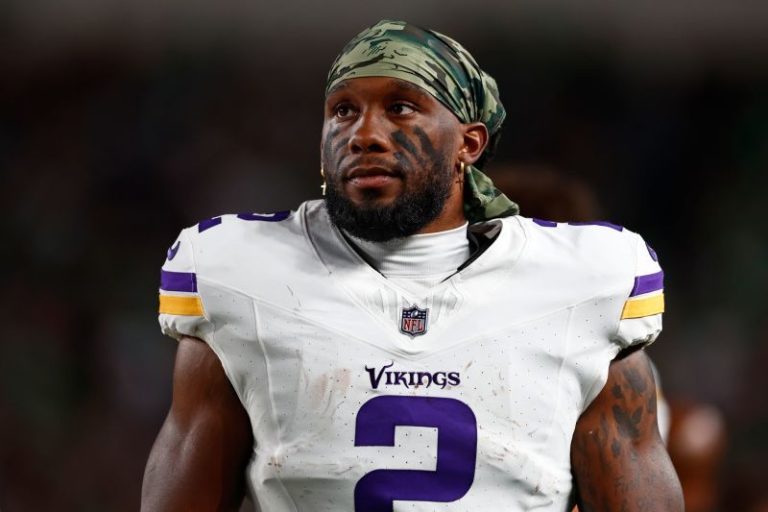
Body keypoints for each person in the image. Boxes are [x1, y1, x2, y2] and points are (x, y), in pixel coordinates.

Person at [141, 20, 683, 512]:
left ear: (469, 143)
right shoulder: (241, 275)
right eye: (343, 110)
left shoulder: (584, 286)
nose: (364, 135)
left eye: (400, 107)